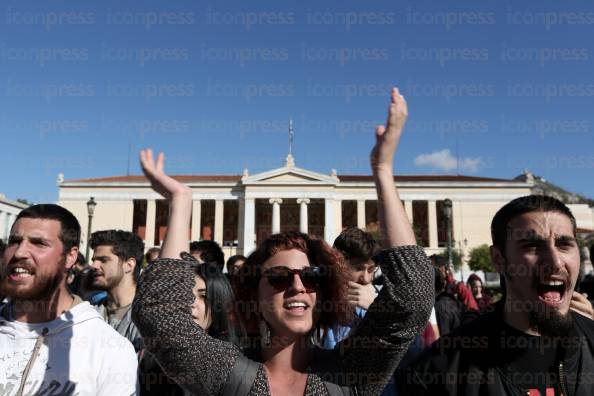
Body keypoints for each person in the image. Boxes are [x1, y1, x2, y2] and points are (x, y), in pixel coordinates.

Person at [132, 87, 434, 395]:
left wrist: (383, 171)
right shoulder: (225, 374)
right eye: (278, 277)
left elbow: (413, 295)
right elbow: (160, 314)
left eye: (313, 276)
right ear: (253, 295)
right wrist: (181, 201)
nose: (298, 286)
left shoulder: (348, 373)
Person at [398, 195, 594, 395]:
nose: (556, 262)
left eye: (564, 244)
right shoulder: (440, 371)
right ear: (498, 259)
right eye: (532, 246)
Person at [0, 204, 138, 395]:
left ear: (70, 257)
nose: (19, 253)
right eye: (14, 241)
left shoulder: (109, 349)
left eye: (39, 243)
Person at [322, 227, 380, 349]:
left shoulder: (382, 299)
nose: (365, 278)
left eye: (371, 270)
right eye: (358, 268)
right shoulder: (319, 297)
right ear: (338, 265)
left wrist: (376, 310)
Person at [89, 229, 145, 352]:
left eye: (103, 260)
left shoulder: (148, 316)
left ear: (129, 265)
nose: (94, 266)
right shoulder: (88, 312)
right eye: (93, 260)